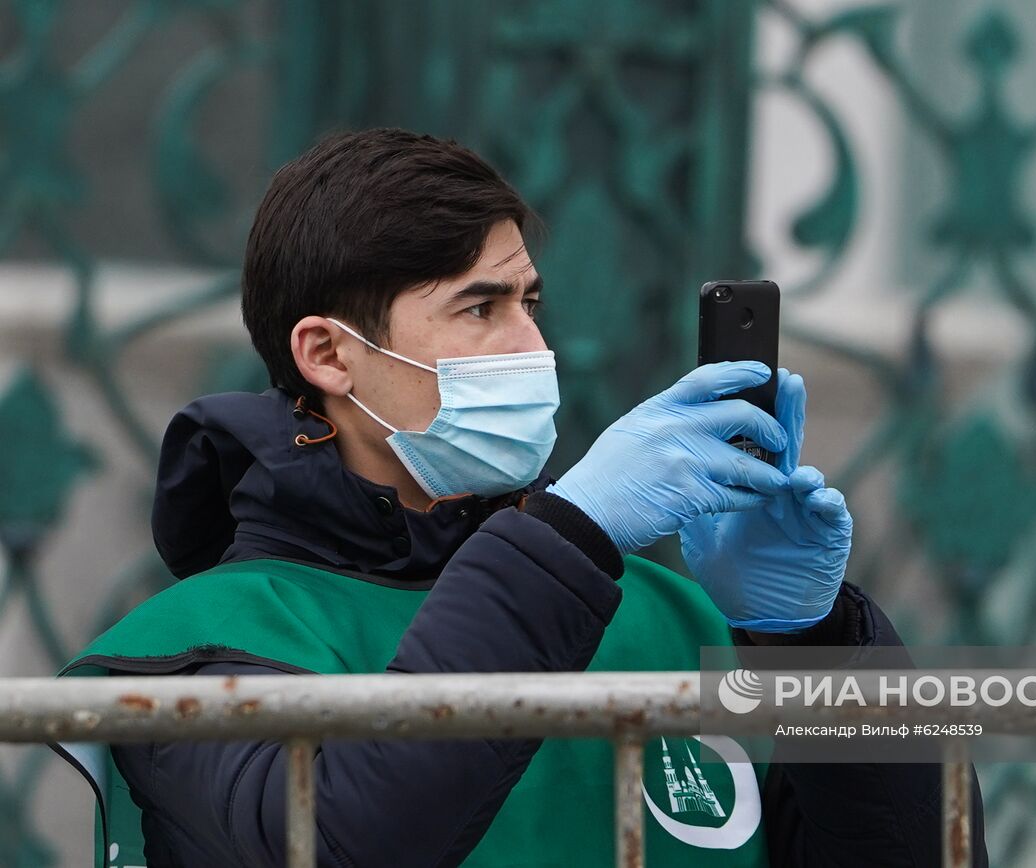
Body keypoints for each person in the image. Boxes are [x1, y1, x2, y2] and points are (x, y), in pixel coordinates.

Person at [52, 128, 988, 867]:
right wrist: (571, 532)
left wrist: (812, 643)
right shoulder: (203, 647)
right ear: (328, 355)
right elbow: (347, 839)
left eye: (529, 302)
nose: (530, 347)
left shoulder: (663, 613)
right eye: (477, 307)